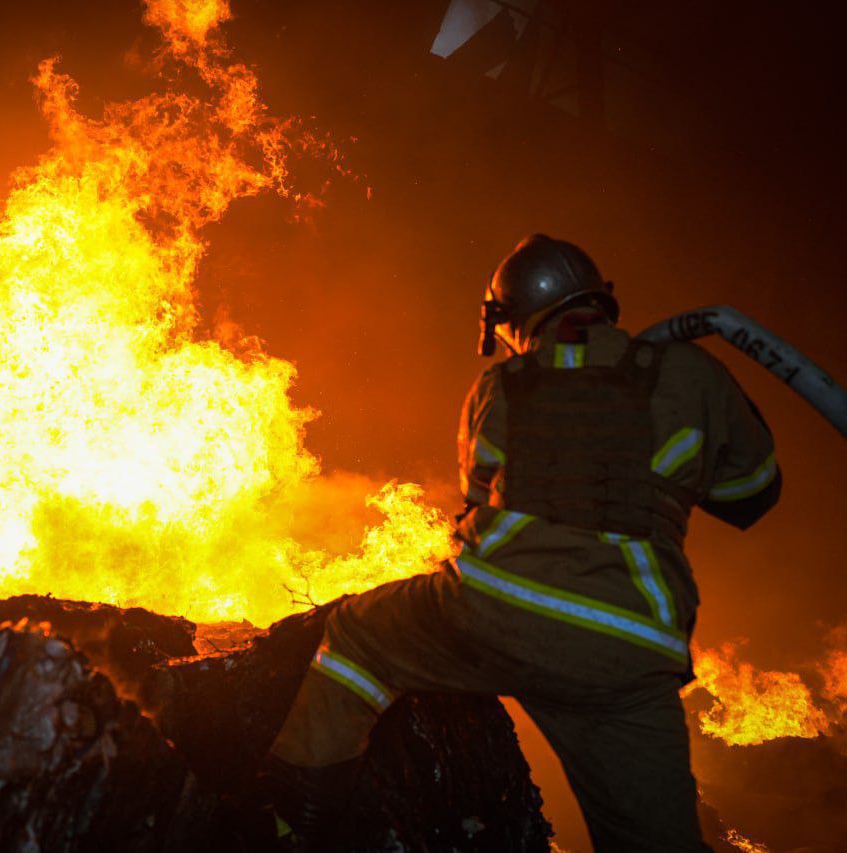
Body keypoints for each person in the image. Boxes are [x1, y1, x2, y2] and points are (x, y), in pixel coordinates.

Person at [261, 234, 781, 851]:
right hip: (628, 651)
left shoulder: (500, 386)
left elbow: (481, 496)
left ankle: (294, 827)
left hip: (496, 612)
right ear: (599, 301)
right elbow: (752, 491)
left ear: (509, 321)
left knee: (356, 636)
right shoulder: (693, 374)